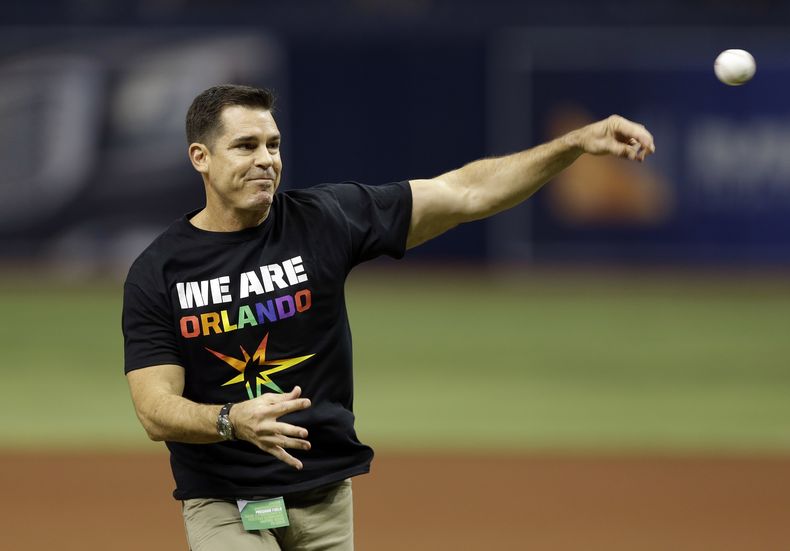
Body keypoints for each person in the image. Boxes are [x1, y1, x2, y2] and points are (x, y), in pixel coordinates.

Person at [122, 84, 655, 551]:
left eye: (273, 144)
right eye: (246, 145)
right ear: (200, 157)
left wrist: (574, 144)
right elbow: (154, 409)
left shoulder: (322, 221)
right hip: (224, 499)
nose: (266, 159)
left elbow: (466, 192)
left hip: (324, 492)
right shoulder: (159, 271)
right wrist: (229, 420)